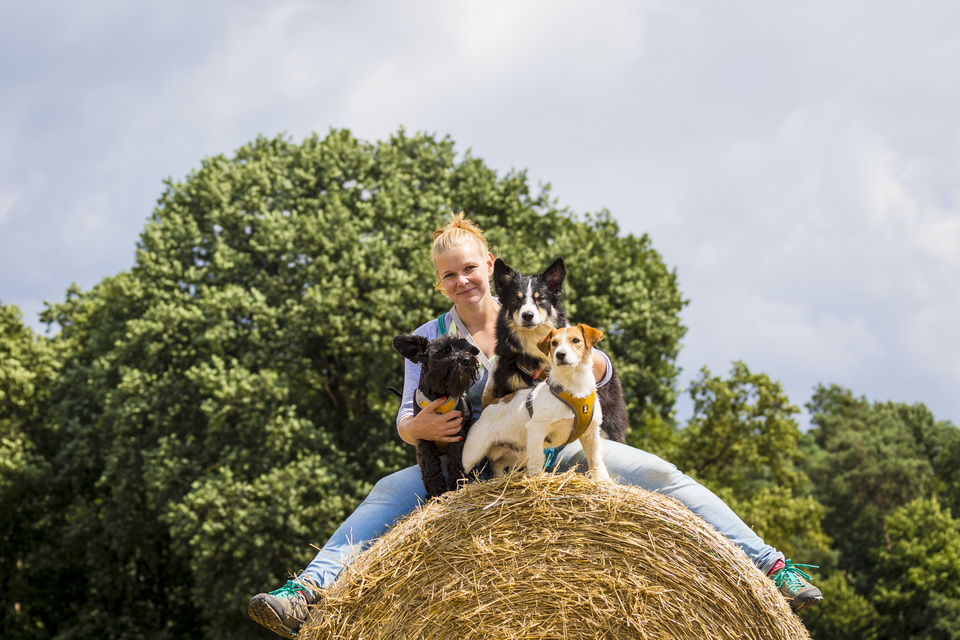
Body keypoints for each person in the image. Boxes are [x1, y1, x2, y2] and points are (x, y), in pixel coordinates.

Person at [248, 213, 823, 637]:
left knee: (659, 475)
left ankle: (770, 566)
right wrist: (417, 428)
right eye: (449, 275)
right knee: (385, 493)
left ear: (489, 267)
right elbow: (404, 418)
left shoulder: (534, 312)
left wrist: (585, 365)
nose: (461, 281)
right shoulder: (428, 338)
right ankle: (307, 590)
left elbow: (597, 363)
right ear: (439, 283)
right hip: (467, 466)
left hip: (557, 451)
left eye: (469, 269)